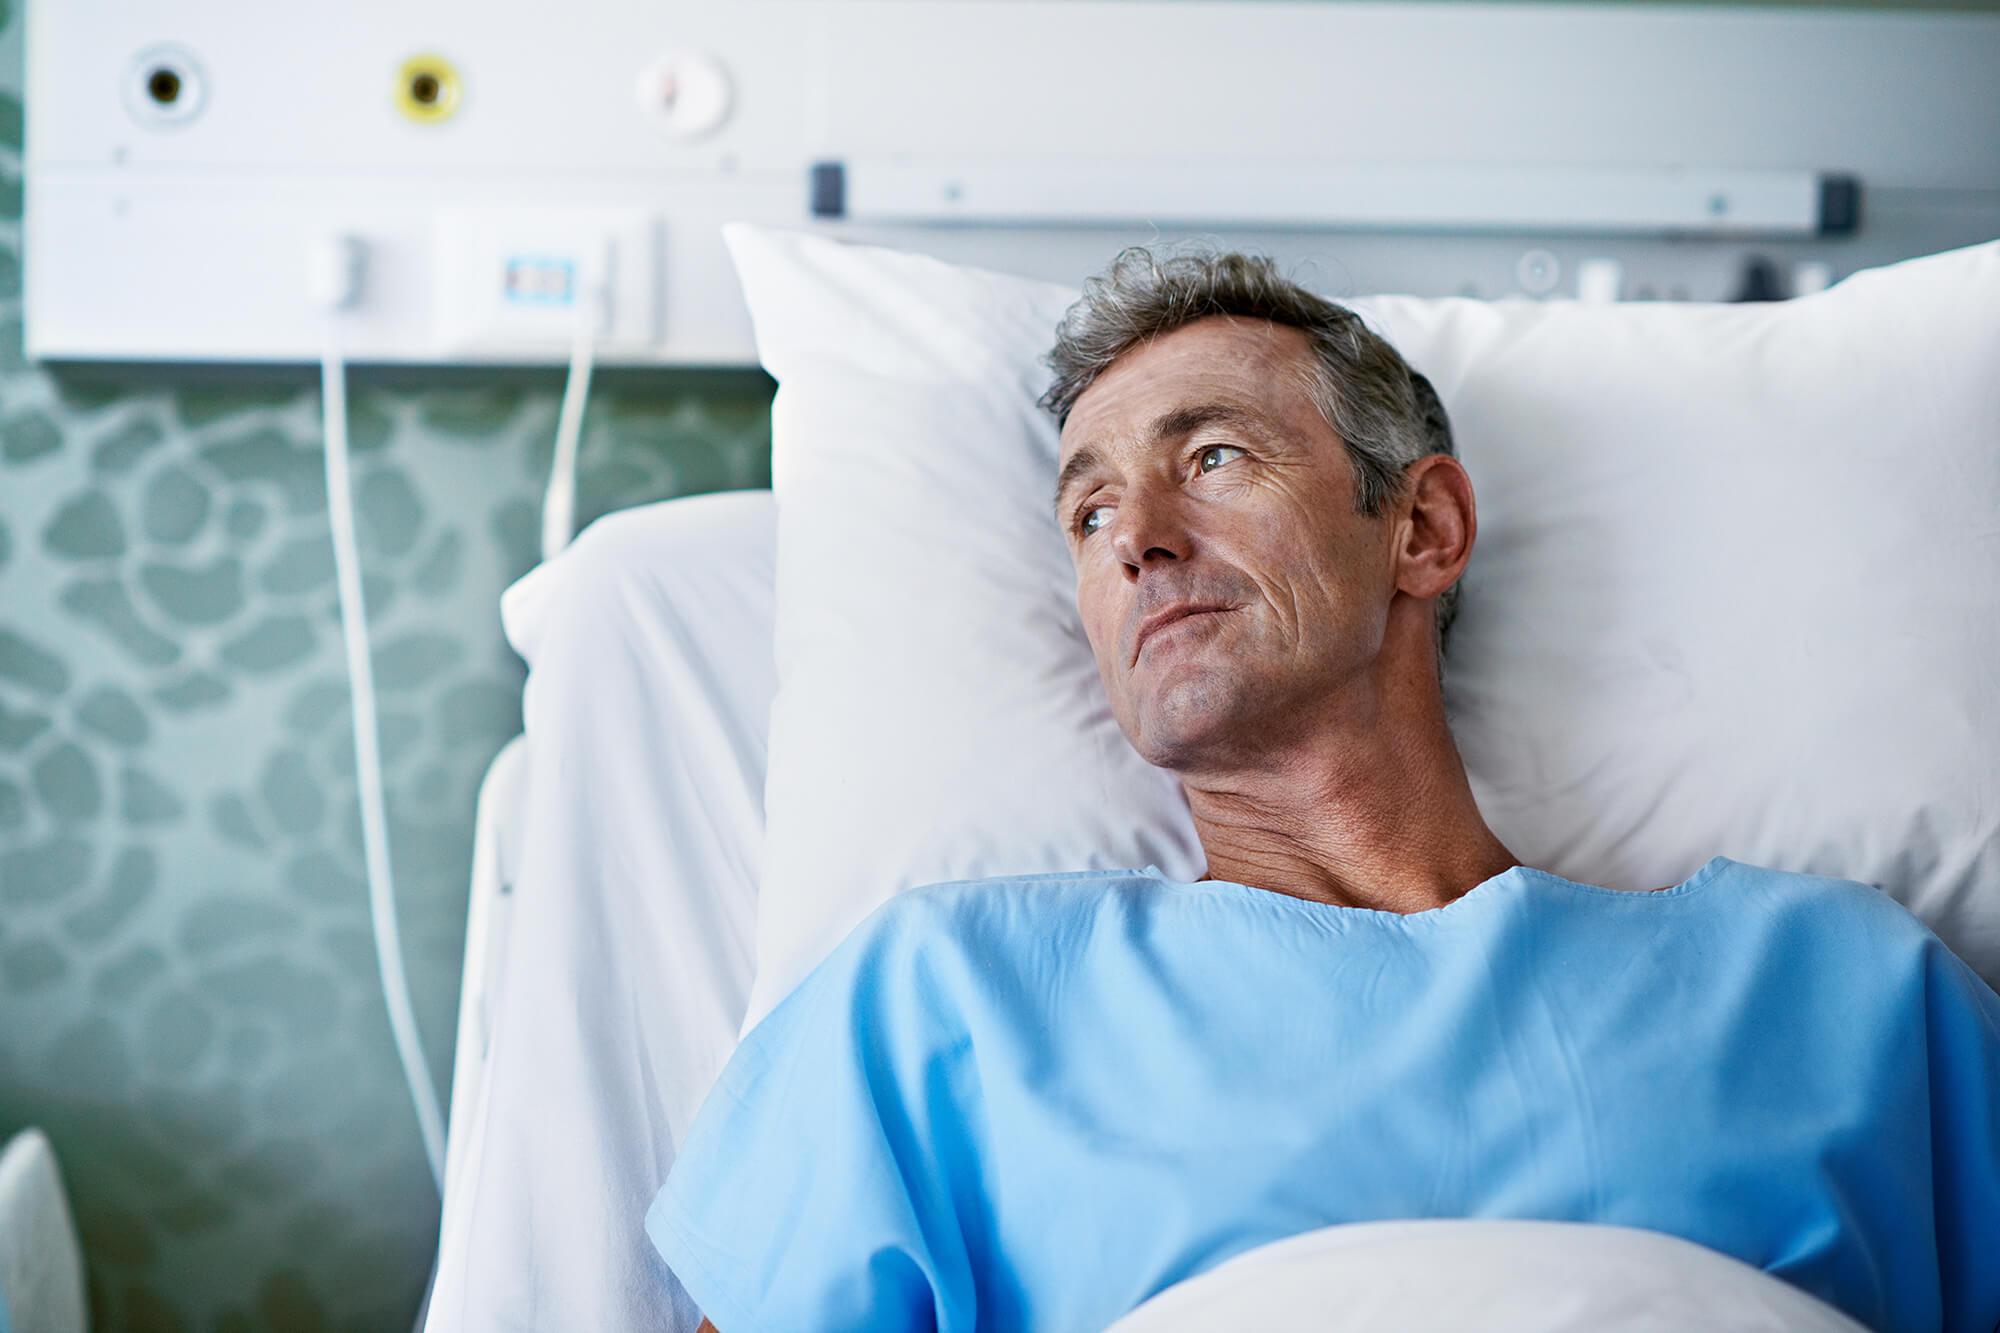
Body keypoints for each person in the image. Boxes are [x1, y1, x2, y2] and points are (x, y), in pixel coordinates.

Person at [653, 250, 2000, 1333]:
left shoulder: (1848, 992)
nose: (1141, 542)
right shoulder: (942, 1007)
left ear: (1422, 528)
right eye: (1089, 514)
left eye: (1214, 457)